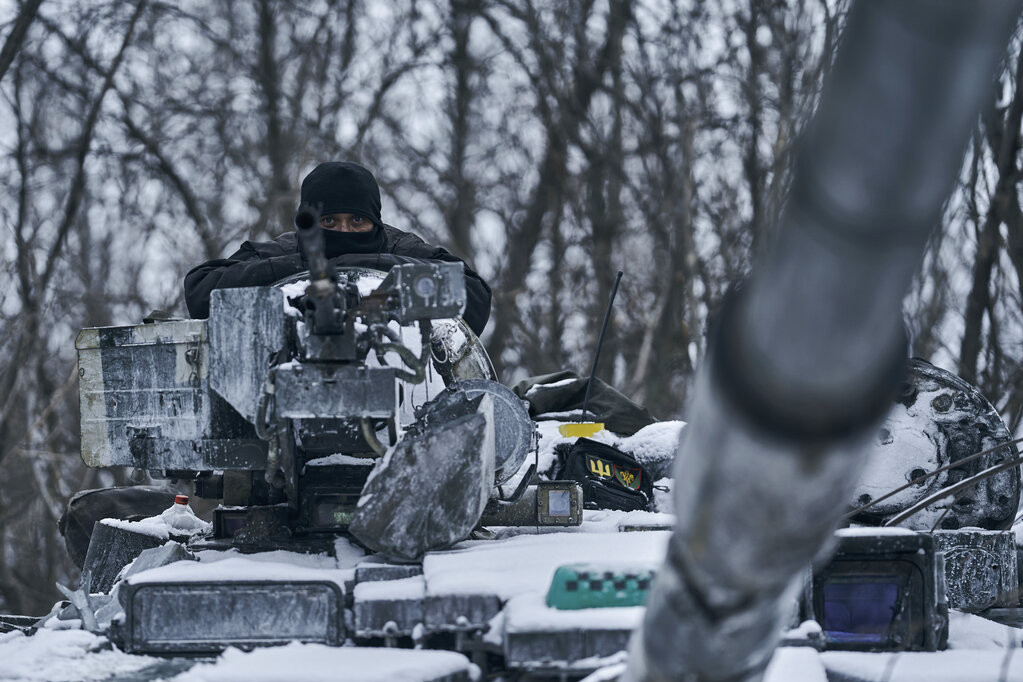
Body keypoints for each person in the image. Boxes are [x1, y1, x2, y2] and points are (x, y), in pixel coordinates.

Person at [184, 161, 491, 336]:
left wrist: (370, 264)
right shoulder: (279, 252)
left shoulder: (403, 248)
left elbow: (475, 299)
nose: (344, 231)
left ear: (375, 222)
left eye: (357, 220)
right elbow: (201, 292)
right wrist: (305, 267)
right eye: (329, 220)